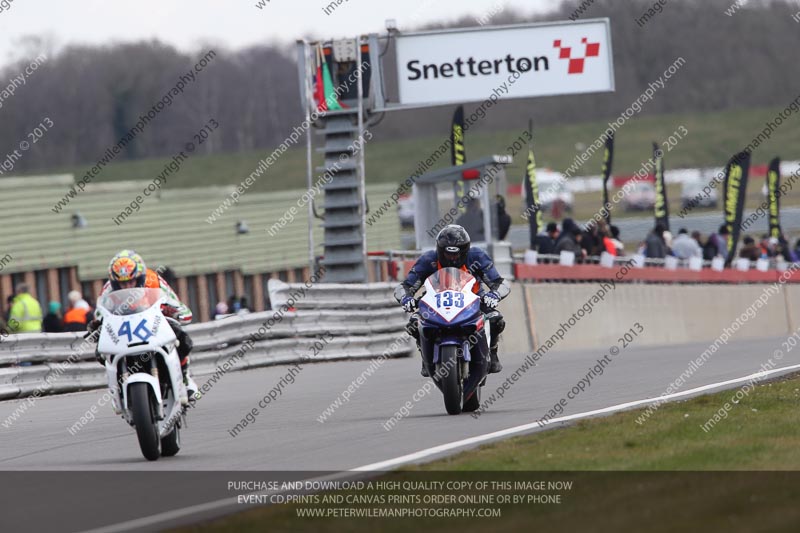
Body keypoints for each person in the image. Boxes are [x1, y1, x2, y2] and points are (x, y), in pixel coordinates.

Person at [394, 225, 510, 376]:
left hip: (474, 301)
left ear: (465, 251)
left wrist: (494, 295)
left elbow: (500, 282)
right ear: (439, 250)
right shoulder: (428, 260)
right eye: (448, 254)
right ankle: (425, 355)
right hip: (435, 303)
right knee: (414, 323)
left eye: (456, 254)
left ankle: (492, 353)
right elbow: (405, 286)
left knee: (495, 319)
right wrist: (406, 298)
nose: (452, 258)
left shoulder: (477, 256)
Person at [89, 250, 197, 398]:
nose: (127, 286)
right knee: (101, 352)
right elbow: (100, 313)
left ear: (139, 277)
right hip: (124, 330)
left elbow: (176, 303)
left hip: (152, 324)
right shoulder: (108, 289)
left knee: (181, 339)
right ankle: (119, 389)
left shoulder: (154, 280)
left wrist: (176, 312)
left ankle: (185, 378)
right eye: (122, 283)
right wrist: (97, 325)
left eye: (131, 281)